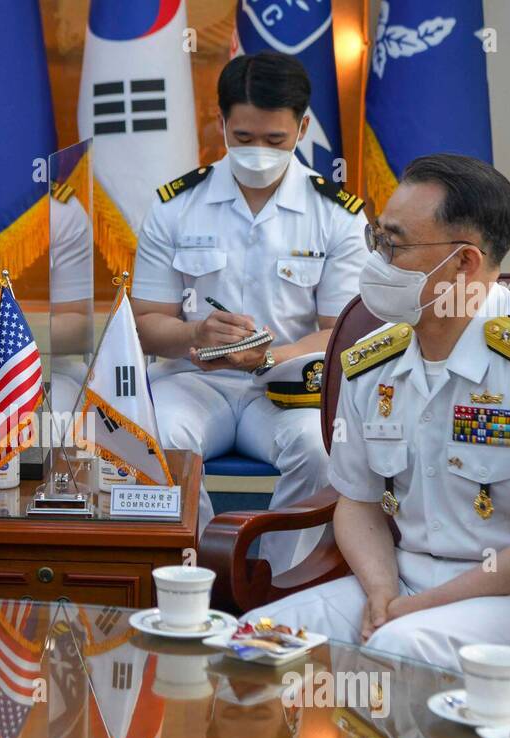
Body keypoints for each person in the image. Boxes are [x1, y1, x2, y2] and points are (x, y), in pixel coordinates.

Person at [240, 154, 510, 681]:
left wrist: (423, 607)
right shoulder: (372, 360)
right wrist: (382, 592)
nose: (376, 262)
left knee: (400, 649)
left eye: (394, 245)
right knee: (253, 641)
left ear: (464, 264)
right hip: (402, 581)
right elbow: (357, 502)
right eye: (377, 240)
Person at [131, 52, 368, 568]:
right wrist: (195, 333)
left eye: (275, 140)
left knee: (325, 449)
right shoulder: (176, 206)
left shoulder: (336, 214)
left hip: (288, 388)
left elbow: (341, 333)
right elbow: (146, 323)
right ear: (220, 124)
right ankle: (198, 574)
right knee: (159, 438)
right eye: (242, 138)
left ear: (303, 128)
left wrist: (268, 357)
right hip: (194, 381)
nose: (258, 151)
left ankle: (283, 585)